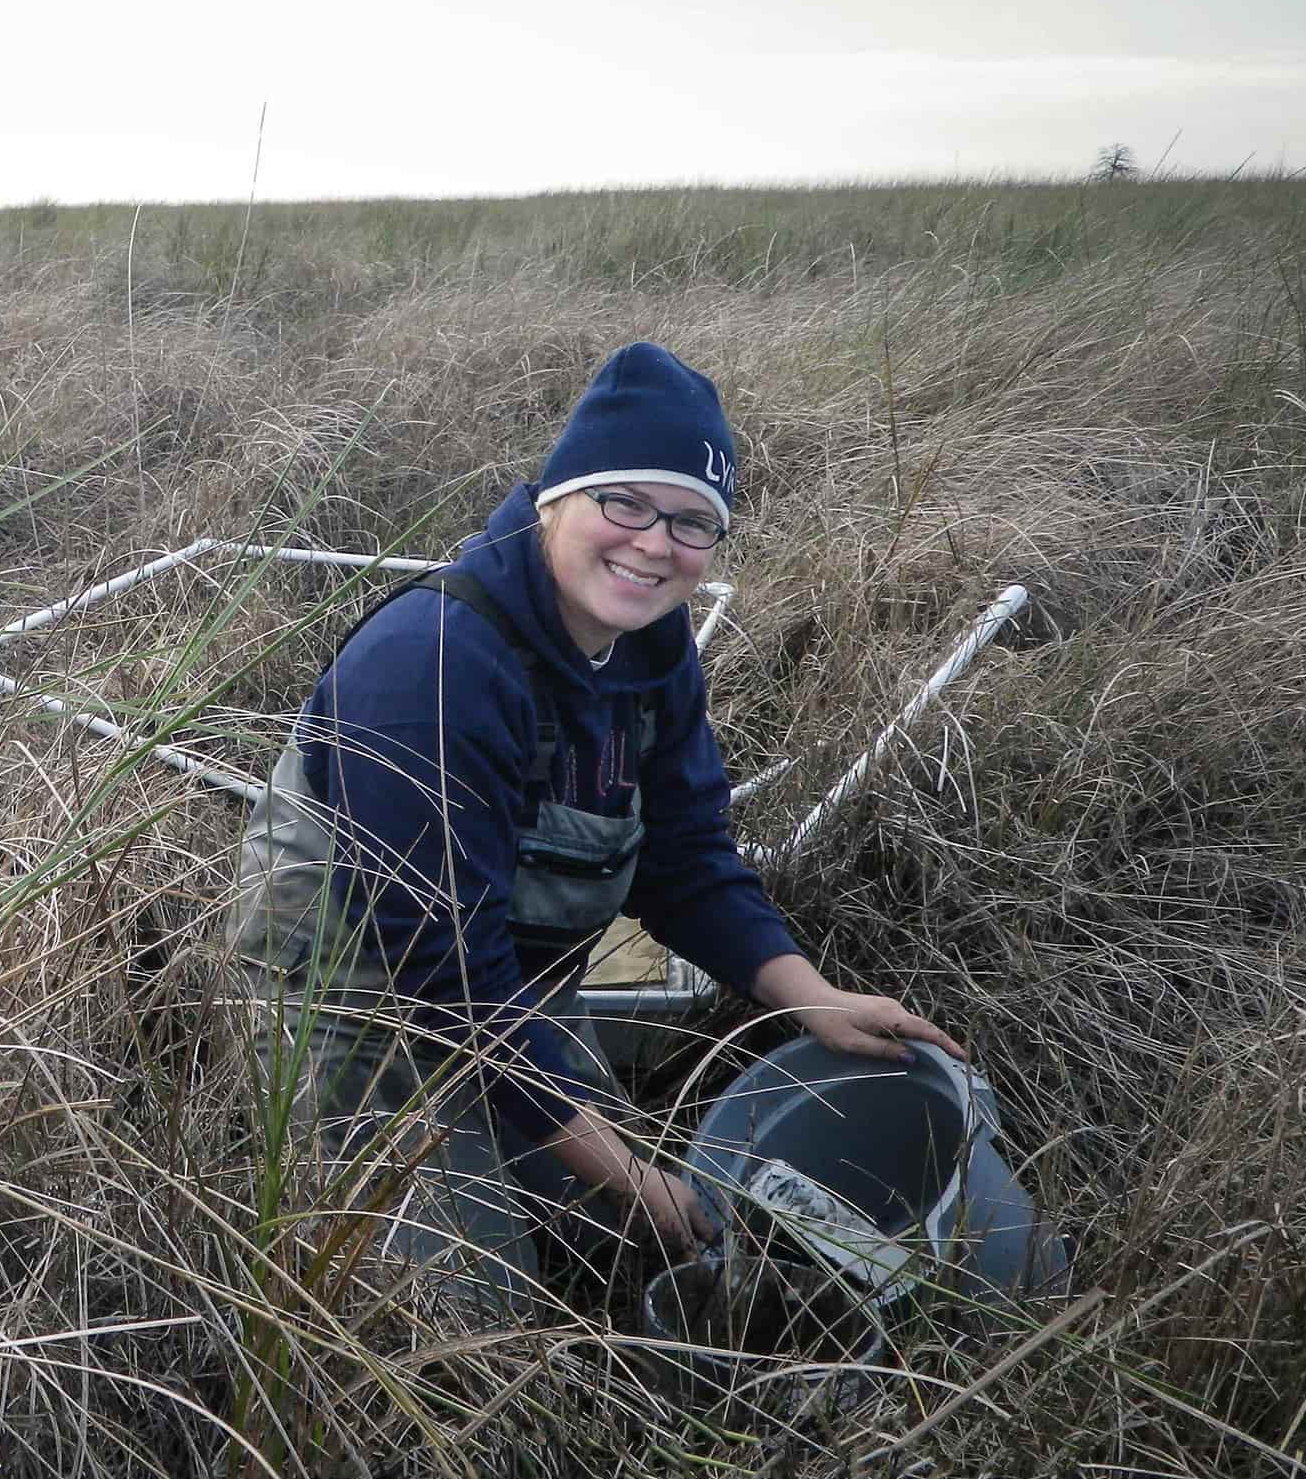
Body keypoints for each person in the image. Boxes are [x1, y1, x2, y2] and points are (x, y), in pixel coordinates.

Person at [225, 341, 965, 1305]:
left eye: (694, 522)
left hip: (519, 995)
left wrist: (809, 997)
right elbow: (450, 985)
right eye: (625, 502)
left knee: (638, 1241)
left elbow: (689, 857)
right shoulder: (433, 663)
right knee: (473, 1320)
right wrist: (621, 1166)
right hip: (362, 1015)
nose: (656, 544)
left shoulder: (650, 649)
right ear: (555, 499)